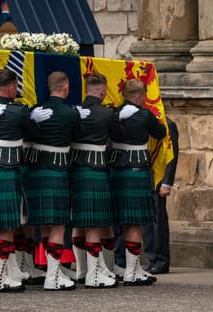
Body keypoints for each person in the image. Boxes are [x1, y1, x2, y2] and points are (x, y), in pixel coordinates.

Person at [0, 68, 50, 292]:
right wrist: (32, 119)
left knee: (0, 224)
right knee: (6, 226)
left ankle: (10, 270)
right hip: (6, 172)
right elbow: (35, 134)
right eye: (16, 86)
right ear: (10, 87)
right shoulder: (18, 111)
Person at [109, 79, 166, 286]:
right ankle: (133, 270)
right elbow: (161, 133)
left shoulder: (113, 114)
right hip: (136, 170)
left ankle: (114, 266)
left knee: (117, 220)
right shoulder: (144, 115)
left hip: (115, 170)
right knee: (134, 222)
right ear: (139, 97)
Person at [25, 71, 79, 291]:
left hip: (36, 171)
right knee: (58, 225)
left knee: (47, 225)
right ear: (65, 86)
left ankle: (52, 270)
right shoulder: (70, 113)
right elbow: (79, 136)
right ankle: (53, 277)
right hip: (57, 171)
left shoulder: (36, 111)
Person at [69, 73, 120, 288]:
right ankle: (94, 274)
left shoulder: (74, 112)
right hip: (96, 169)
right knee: (95, 224)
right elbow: (121, 136)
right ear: (102, 91)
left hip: (74, 169)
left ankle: (83, 270)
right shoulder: (107, 113)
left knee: (79, 222)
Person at [142, 117, 179, 274]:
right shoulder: (144, 120)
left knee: (158, 221)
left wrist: (167, 182)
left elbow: (172, 155)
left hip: (159, 178)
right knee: (146, 222)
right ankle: (150, 259)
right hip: (146, 176)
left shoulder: (168, 124)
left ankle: (161, 260)